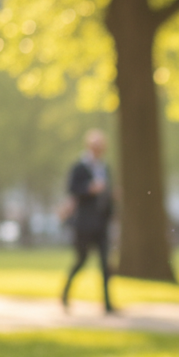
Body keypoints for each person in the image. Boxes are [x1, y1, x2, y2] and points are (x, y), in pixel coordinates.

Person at [62, 129, 115, 313]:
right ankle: (65, 293)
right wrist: (89, 189)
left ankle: (107, 304)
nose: (99, 149)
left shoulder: (104, 168)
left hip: (101, 223)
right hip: (84, 224)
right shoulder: (79, 167)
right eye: (96, 146)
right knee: (81, 259)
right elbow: (72, 189)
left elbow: (108, 193)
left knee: (105, 264)